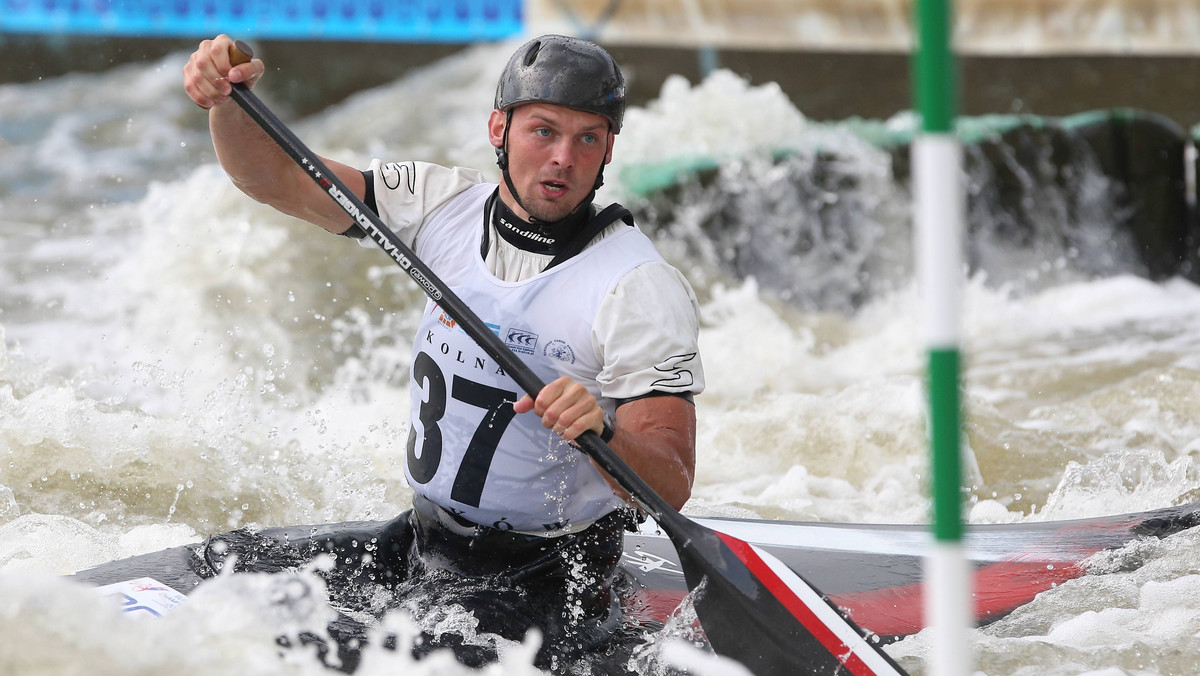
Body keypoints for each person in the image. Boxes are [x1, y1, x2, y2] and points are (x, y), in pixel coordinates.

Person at [183, 34, 705, 671]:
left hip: (548, 578)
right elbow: (273, 177)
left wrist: (603, 431)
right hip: (424, 541)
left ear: (609, 149)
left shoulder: (636, 286)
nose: (563, 159)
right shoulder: (440, 205)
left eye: (587, 138)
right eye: (543, 131)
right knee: (222, 572)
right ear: (499, 128)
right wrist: (226, 99)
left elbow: (672, 481)